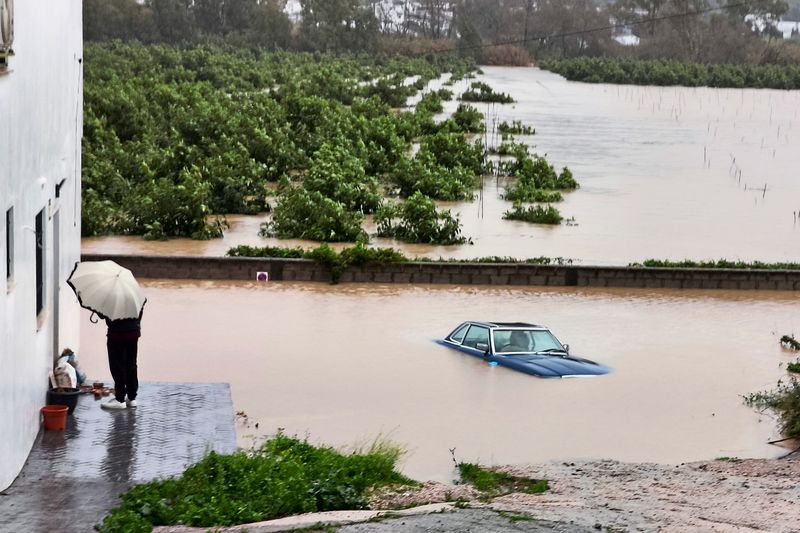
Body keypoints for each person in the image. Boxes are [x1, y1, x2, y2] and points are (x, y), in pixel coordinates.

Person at [100, 310, 142, 410]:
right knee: (131, 364)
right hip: (133, 332)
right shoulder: (134, 296)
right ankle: (132, 398)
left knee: (117, 366)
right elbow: (139, 312)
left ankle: (120, 399)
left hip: (116, 333)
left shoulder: (112, 297)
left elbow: (103, 314)